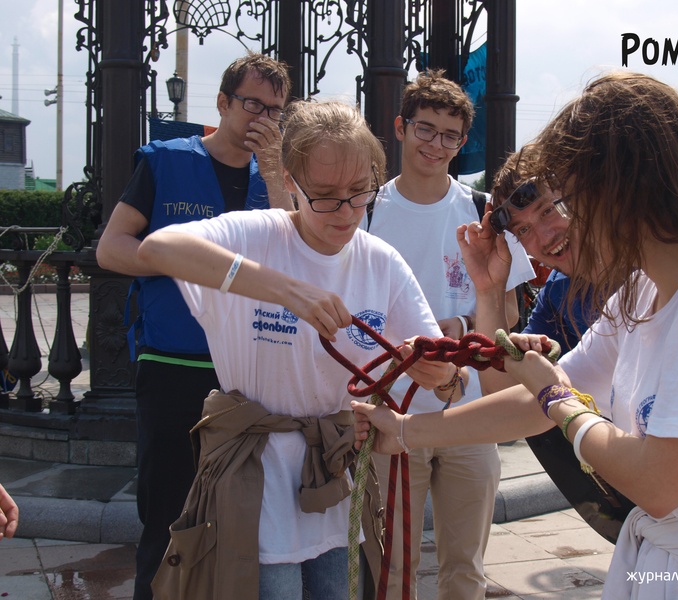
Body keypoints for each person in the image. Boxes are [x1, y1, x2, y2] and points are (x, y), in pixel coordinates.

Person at [354, 72, 678, 599]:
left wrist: (560, 401)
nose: (556, 229)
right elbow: (525, 402)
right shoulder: (641, 292)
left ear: (627, 184)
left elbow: (658, 483)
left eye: (566, 199)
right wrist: (404, 430)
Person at [135, 100, 469, 600]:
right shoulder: (257, 234)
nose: (346, 212)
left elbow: (447, 376)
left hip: (333, 469)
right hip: (254, 470)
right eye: (326, 196)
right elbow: (156, 248)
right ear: (291, 180)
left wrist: (441, 377)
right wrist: (286, 291)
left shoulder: (381, 262)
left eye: (359, 192)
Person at [95, 51, 292, 600]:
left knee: (250, 518)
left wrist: (276, 172)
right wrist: (187, 263)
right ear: (223, 103)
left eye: (275, 110)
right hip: (173, 362)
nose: (263, 118)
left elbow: (295, 254)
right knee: (167, 511)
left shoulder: (275, 179)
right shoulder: (164, 162)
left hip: (249, 371)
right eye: (252, 104)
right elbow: (111, 249)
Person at [363, 69, 534, 600]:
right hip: (392, 410)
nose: (436, 145)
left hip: (469, 412)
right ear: (400, 128)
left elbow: (509, 310)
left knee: (466, 569)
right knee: (393, 569)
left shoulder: (481, 212)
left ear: (462, 143)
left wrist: (458, 327)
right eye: (426, 129)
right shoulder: (366, 209)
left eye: (450, 136)